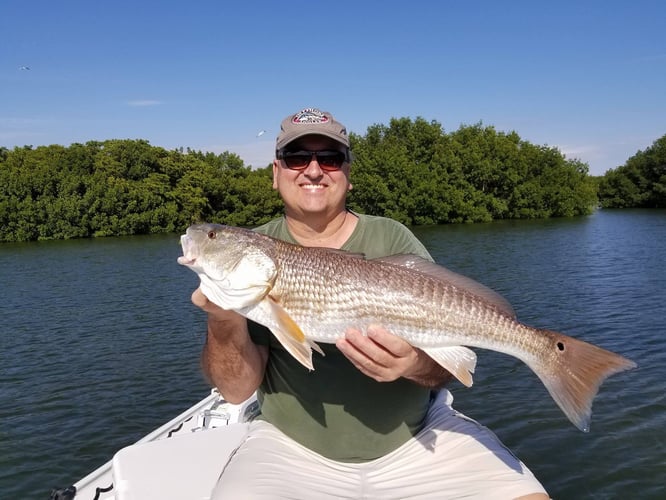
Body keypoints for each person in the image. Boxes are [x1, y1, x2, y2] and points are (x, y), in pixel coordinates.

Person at [191, 108, 549, 499]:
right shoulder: (254, 250)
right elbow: (237, 392)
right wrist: (222, 318)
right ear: (276, 173)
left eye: (329, 158)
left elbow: (441, 373)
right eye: (297, 158)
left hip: (418, 439)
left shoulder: (392, 239)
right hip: (288, 450)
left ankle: (545, 353)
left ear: (348, 173)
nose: (313, 170)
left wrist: (415, 364)